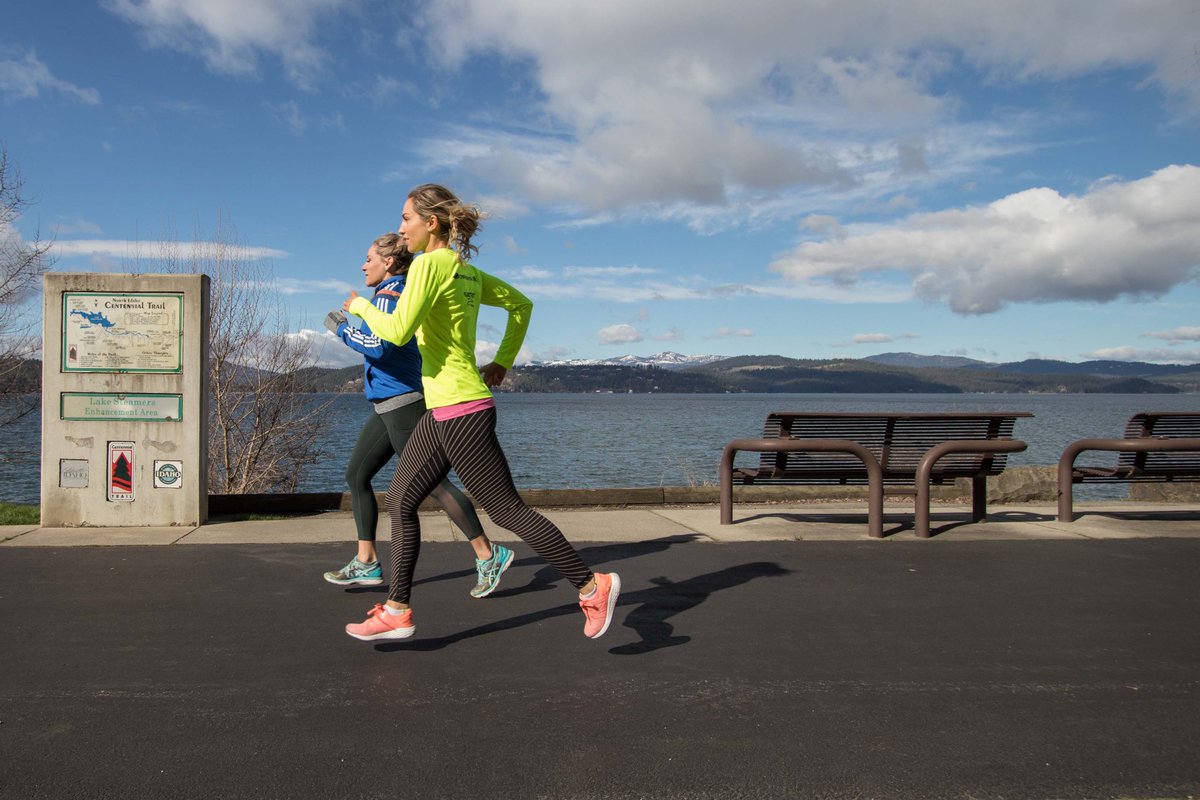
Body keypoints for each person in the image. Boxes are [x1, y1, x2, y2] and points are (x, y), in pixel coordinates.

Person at [340, 184, 620, 642]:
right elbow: (521, 306)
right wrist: (502, 362)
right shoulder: (464, 270)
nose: (400, 228)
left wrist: (358, 308)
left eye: (407, 218)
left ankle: (593, 585)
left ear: (430, 223)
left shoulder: (430, 264)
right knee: (401, 498)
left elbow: (394, 331)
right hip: (444, 407)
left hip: (461, 411)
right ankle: (396, 609)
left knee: (506, 510)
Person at [323, 233, 514, 599]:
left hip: (404, 401)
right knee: (357, 474)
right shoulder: (394, 292)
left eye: (367, 259)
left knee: (434, 484)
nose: (363, 265)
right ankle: (366, 561)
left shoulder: (390, 294)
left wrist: (342, 328)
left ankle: (487, 554)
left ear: (389, 263)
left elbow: (380, 346)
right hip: (387, 403)